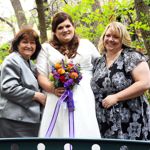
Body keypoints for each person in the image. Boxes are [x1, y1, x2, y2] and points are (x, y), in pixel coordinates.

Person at [36, 12, 101, 138]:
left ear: (73, 27)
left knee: (84, 127)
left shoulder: (86, 44)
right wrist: (53, 89)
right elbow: (41, 75)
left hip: (85, 95)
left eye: (68, 26)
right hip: (58, 96)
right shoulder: (46, 48)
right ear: (54, 31)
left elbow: (101, 66)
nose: (65, 30)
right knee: (59, 130)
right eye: (60, 27)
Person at [91, 21, 150, 140]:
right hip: (104, 121)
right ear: (103, 37)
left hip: (131, 120)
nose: (110, 39)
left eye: (116, 37)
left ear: (123, 39)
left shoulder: (131, 56)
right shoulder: (98, 62)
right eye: (108, 35)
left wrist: (116, 97)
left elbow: (145, 83)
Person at [0, 28, 46, 137]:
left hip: (28, 120)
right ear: (17, 44)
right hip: (14, 121)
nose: (29, 46)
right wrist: (36, 95)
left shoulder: (30, 63)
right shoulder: (12, 60)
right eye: (25, 42)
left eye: (32, 43)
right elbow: (8, 88)